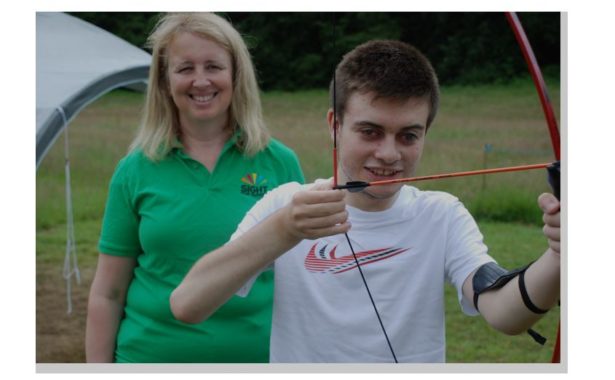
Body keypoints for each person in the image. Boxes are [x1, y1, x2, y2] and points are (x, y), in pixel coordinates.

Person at [170, 40, 560, 363]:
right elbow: (188, 304)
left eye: (408, 136)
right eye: (370, 132)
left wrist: (560, 256)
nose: (389, 154)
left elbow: (505, 312)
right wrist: (284, 229)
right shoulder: (287, 205)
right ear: (334, 126)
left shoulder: (441, 214)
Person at [85, 13, 304, 363]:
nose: (200, 81)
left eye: (213, 66)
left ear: (236, 75)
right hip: (149, 359)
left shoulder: (280, 164)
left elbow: (302, 282)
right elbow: (107, 293)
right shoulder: (135, 170)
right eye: (185, 68)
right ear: (163, 82)